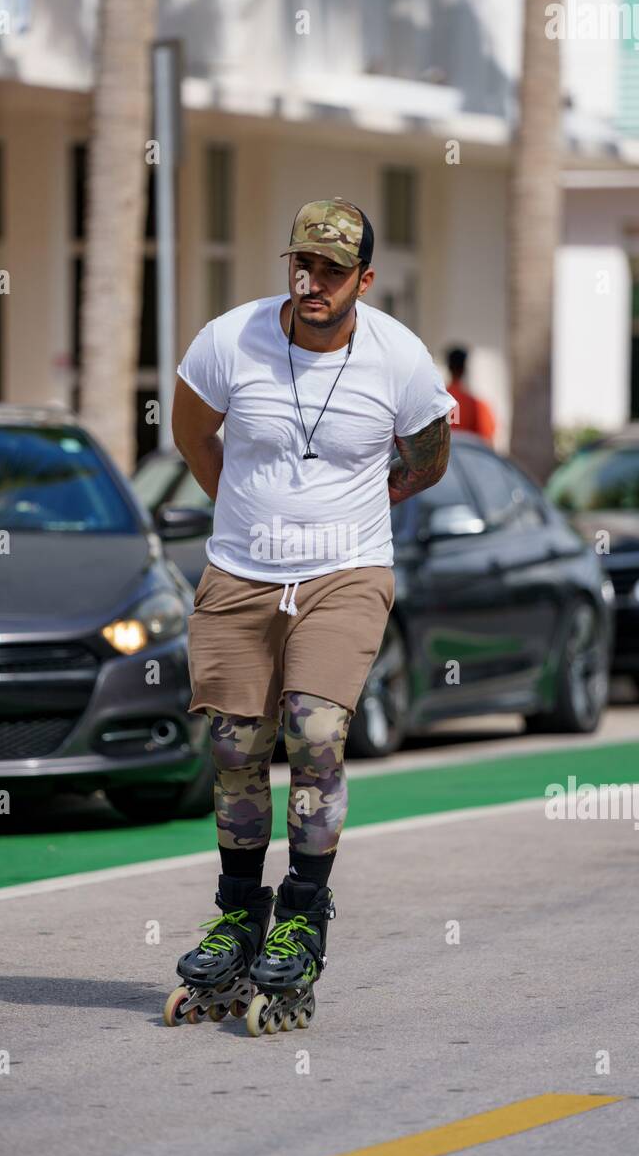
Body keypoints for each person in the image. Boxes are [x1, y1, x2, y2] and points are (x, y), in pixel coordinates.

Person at [166, 197, 456, 1036]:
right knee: (233, 746)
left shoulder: (398, 358)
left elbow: (428, 458)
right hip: (241, 575)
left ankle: (302, 915)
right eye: (302, 263)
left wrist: (369, 506)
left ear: (365, 279)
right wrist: (250, 522)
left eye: (333, 269)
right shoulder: (229, 340)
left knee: (315, 730)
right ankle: (236, 914)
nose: (313, 280)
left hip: (346, 571)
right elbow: (195, 440)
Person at [446, 346, 497, 445]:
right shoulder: (477, 406)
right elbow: (487, 443)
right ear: (464, 369)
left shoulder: (432, 404)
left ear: (449, 367)